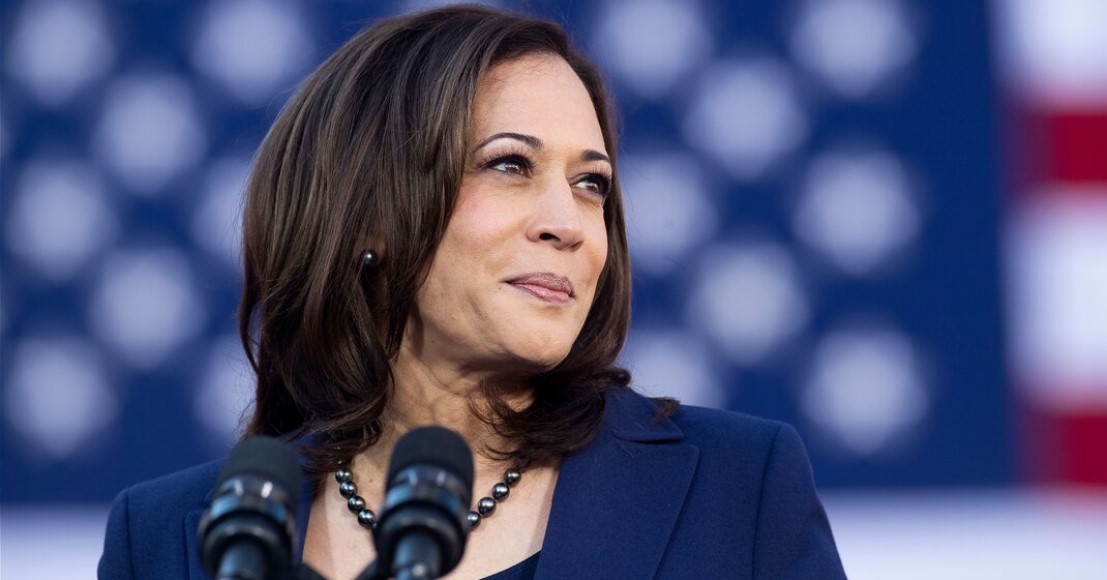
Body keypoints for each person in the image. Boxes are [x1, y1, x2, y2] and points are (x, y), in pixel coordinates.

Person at [97, 4, 846, 579]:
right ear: (368, 214)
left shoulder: (740, 490)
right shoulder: (166, 540)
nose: (570, 225)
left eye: (591, 184)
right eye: (510, 166)